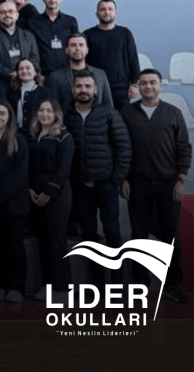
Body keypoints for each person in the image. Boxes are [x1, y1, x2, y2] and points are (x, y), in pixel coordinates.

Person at [121, 68, 192, 303]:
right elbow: (120, 148)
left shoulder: (173, 113)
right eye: (143, 83)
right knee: (138, 237)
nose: (148, 86)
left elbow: (184, 148)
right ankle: (140, 285)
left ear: (161, 85)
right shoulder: (127, 113)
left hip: (168, 184)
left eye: (152, 82)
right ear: (138, 87)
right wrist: (123, 178)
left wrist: (181, 180)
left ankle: (173, 285)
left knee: (171, 237)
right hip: (137, 184)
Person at [64, 71, 132, 287]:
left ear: (95, 90)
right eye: (79, 86)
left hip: (106, 185)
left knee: (112, 233)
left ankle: (117, 285)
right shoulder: (66, 117)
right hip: (80, 187)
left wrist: (116, 179)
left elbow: (124, 147)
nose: (83, 90)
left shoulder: (109, 113)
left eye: (87, 86)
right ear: (73, 90)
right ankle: (97, 283)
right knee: (88, 236)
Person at [0, 100, 30, 303]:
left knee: (15, 247)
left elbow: (19, 172)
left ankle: (17, 287)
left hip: (14, 202)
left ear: (9, 116)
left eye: (2, 113)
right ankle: (0, 285)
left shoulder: (19, 139)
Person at [27, 98, 74, 305]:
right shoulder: (32, 136)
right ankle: (47, 286)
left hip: (57, 193)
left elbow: (64, 169)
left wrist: (49, 192)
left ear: (56, 114)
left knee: (57, 242)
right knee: (43, 242)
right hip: (35, 193)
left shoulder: (64, 137)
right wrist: (30, 189)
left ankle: (62, 289)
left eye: (49, 110)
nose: (44, 114)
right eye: (41, 110)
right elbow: (28, 166)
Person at [83, 0, 141, 109]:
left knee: (121, 119)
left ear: (116, 13)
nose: (107, 12)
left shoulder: (125, 34)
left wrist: (134, 84)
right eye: (103, 9)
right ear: (97, 13)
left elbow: (133, 59)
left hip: (121, 89)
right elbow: (83, 62)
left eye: (110, 9)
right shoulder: (88, 35)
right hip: (96, 87)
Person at [45, 33, 114, 111]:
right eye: (73, 45)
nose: (77, 48)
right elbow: (52, 108)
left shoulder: (100, 74)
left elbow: (108, 105)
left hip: (97, 118)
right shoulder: (56, 77)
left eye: (81, 45)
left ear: (87, 50)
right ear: (67, 50)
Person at [0, 1, 40, 88]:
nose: (7, 15)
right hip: (1, 83)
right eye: (3, 12)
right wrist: (10, 74)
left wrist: (22, 72)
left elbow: (35, 58)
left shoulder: (28, 36)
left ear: (17, 15)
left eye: (10, 11)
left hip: (27, 82)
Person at [27, 0, 78, 75]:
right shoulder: (32, 23)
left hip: (67, 73)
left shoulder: (70, 21)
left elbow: (75, 47)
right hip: (42, 74)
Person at [7, 58, 51, 129]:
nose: (24, 71)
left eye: (28, 68)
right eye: (21, 69)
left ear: (35, 72)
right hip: (16, 132)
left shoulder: (44, 92)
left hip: (37, 132)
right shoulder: (12, 92)